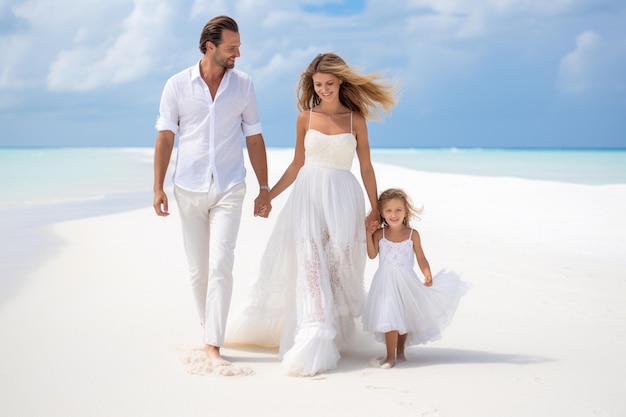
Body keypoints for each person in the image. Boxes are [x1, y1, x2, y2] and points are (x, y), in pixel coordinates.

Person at [228, 52, 397, 376]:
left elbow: (365, 166)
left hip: (343, 197)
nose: (323, 89)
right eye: (318, 84)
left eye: (329, 84)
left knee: (338, 267)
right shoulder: (305, 117)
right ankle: (313, 336)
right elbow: (296, 165)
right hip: (307, 196)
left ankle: (333, 335)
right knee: (310, 264)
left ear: (341, 82)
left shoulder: (354, 119)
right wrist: (268, 194)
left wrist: (374, 207)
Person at [152, 15, 271, 366]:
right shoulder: (176, 85)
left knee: (221, 263)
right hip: (187, 186)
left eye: (239, 47)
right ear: (210, 47)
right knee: (198, 270)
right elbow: (165, 136)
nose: (238, 54)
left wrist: (264, 187)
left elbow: (254, 136)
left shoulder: (244, 85)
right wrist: (157, 186)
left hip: (230, 186)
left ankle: (213, 345)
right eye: (232, 48)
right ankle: (210, 329)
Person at [363, 188, 469, 369]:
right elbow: (372, 255)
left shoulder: (412, 234)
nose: (393, 214)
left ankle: (400, 351)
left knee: (403, 317)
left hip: (406, 282)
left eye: (398, 210)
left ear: (406, 211)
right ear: (381, 213)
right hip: (385, 283)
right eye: (388, 210)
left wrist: (427, 272)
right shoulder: (380, 234)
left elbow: (420, 257)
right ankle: (390, 357)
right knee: (390, 317)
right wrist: (368, 233)